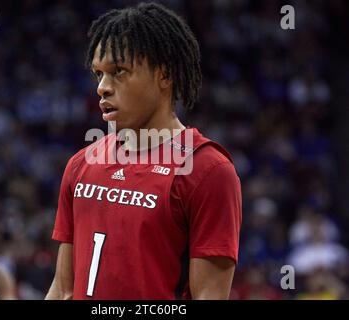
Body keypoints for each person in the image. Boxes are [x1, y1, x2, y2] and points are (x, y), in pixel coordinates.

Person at [46, 2, 242, 300]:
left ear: (164, 75)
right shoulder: (80, 164)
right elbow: (62, 290)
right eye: (99, 74)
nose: (102, 87)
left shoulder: (209, 171)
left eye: (119, 72)